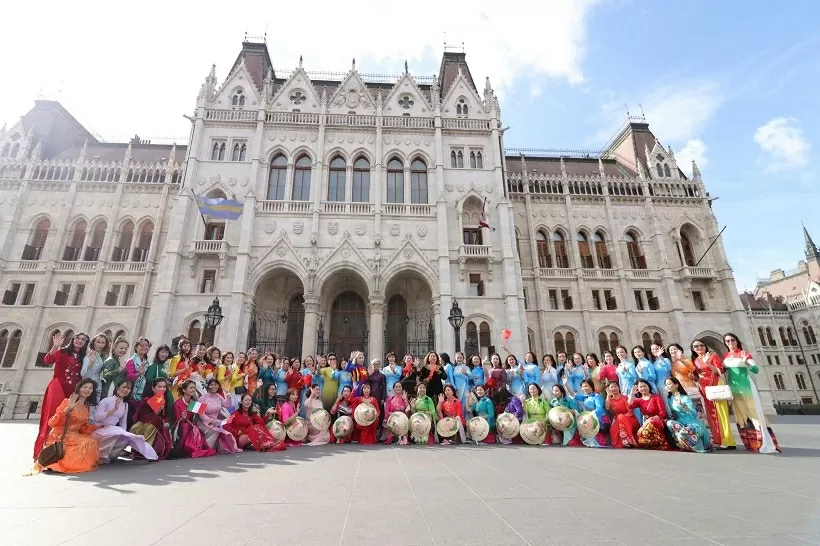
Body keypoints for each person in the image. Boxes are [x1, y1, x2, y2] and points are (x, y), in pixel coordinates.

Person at [33, 331, 88, 460]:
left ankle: (59, 452)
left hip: (72, 391)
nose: (80, 341)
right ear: (73, 339)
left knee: (67, 420)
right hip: (57, 387)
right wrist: (55, 346)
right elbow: (47, 360)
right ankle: (42, 453)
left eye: (83, 339)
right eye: (78, 338)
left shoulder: (83, 357)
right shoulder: (62, 352)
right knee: (51, 417)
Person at [722, 333, 780, 453]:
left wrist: (746, 363)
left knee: (753, 412)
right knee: (740, 415)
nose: (730, 342)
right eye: (727, 341)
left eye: (732, 340)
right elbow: (723, 370)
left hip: (746, 386)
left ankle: (762, 441)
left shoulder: (744, 353)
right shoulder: (727, 355)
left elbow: (756, 370)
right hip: (734, 388)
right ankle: (750, 442)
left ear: (737, 341)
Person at [32, 378, 100, 474]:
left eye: (90, 388)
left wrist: (97, 427)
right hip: (60, 434)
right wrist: (68, 409)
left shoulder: (86, 407)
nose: (87, 390)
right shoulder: (67, 402)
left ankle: (76, 464)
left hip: (75, 435)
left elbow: (82, 427)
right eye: (85, 387)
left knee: (92, 442)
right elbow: (52, 423)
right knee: (85, 443)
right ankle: (58, 464)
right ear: (79, 388)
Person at [92, 379, 158, 462]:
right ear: (117, 388)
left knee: (127, 437)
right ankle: (100, 456)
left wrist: (125, 435)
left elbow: (123, 424)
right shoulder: (106, 401)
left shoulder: (125, 405)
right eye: (123, 387)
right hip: (100, 429)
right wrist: (113, 410)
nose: (125, 390)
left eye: (128, 388)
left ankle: (151, 455)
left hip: (113, 430)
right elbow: (97, 418)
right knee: (117, 433)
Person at [692, 339, 735, 450]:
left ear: (705, 346)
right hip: (704, 389)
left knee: (721, 414)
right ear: (693, 349)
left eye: (701, 345)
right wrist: (693, 377)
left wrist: (707, 364)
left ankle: (727, 440)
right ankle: (717, 440)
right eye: (696, 346)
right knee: (711, 415)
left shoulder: (712, 356)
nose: (699, 348)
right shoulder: (696, 360)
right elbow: (698, 376)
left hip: (715, 386)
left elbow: (719, 371)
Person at [130, 377, 173, 460]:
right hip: (144, 423)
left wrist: (164, 421)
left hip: (158, 424)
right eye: (159, 387)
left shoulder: (166, 399)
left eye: (164, 387)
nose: (162, 389)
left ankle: (151, 450)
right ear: (153, 388)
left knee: (157, 423)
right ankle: (141, 449)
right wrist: (155, 413)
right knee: (140, 426)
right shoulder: (146, 400)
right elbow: (142, 417)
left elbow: (165, 416)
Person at [664, 377, 711, 453]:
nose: (667, 386)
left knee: (684, 431)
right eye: (666, 385)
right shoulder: (669, 399)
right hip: (680, 423)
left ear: (676, 385)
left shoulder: (685, 398)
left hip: (693, 423)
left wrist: (683, 405)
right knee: (669, 423)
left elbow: (694, 413)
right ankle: (683, 442)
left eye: (669, 384)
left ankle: (695, 444)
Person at [172, 381, 217, 458]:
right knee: (186, 426)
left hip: (193, 425)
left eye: (194, 388)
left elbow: (202, 415)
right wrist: (182, 418)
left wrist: (211, 420)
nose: (193, 389)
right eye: (191, 388)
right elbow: (177, 422)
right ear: (184, 390)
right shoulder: (178, 404)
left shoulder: (194, 402)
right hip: (181, 427)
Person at [196, 378, 242, 453]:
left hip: (216, 422)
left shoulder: (218, 396)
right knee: (216, 430)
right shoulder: (202, 398)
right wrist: (211, 421)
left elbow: (227, 405)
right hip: (204, 422)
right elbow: (200, 414)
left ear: (218, 386)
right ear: (208, 386)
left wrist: (228, 395)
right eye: (212, 385)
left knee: (226, 432)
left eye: (215, 385)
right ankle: (207, 447)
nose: (214, 386)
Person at [565, 378, 608, 447]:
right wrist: (566, 384)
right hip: (589, 419)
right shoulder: (585, 397)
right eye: (582, 387)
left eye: (586, 386)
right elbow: (573, 395)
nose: (583, 388)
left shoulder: (597, 396)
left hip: (598, 419)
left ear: (591, 386)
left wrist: (589, 416)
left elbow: (599, 409)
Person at [629, 379, 669, 451]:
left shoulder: (656, 397)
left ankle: (661, 443)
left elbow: (662, 413)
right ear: (638, 389)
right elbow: (629, 406)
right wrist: (632, 394)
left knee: (649, 426)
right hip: (647, 424)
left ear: (649, 387)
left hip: (658, 421)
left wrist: (649, 420)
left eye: (645, 386)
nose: (643, 388)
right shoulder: (639, 400)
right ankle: (655, 444)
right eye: (640, 387)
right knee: (640, 441)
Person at [667, 343, 704, 419]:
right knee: (685, 412)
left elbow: (692, 369)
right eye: (671, 350)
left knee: (697, 413)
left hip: (690, 388)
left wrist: (681, 360)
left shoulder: (687, 360)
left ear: (680, 350)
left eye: (675, 349)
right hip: (679, 390)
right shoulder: (672, 363)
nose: (673, 351)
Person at [604, 381, 638, 448]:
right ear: (609, 389)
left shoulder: (624, 398)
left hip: (629, 419)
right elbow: (607, 408)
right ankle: (624, 442)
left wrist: (621, 418)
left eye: (615, 386)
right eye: (612, 387)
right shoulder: (610, 399)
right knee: (613, 430)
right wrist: (608, 395)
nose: (614, 388)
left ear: (618, 387)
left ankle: (629, 441)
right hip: (617, 420)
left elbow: (630, 411)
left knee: (621, 417)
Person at [82, 333, 109, 402]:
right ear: (94, 343)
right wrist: (91, 362)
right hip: (88, 387)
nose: (100, 345)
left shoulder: (100, 357)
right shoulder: (89, 355)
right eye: (98, 342)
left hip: (98, 386)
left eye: (103, 343)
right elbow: (83, 374)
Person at [445, 352, 472, 419]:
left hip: (464, 388)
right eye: (458, 358)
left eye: (461, 358)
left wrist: (466, 373)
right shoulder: (454, 368)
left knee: (464, 405)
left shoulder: (466, 367)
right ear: (455, 359)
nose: (459, 359)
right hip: (456, 389)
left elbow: (472, 377)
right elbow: (451, 378)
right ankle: (458, 420)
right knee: (457, 405)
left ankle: (465, 422)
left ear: (463, 359)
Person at [651, 343, 673, 414]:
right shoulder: (654, 363)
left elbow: (668, 368)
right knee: (664, 404)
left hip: (667, 385)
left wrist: (660, 357)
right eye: (652, 349)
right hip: (658, 386)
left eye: (656, 349)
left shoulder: (666, 360)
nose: (654, 350)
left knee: (670, 402)